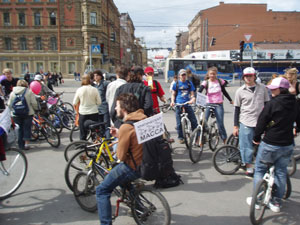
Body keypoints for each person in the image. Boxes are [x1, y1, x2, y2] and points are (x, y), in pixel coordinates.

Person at [247, 77, 300, 212]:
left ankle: (258, 200)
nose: (271, 92)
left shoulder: (273, 103)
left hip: (270, 143)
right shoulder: (295, 103)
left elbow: (262, 122)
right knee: (281, 172)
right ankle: (276, 202)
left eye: (273, 89)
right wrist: (296, 130)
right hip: (287, 144)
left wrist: (256, 138)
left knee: (260, 170)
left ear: (281, 90)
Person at [96, 93, 146, 225]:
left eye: (117, 106)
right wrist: (120, 134)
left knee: (102, 190)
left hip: (133, 167)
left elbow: (121, 156)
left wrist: (120, 137)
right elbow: (136, 137)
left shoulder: (126, 127)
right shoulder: (144, 119)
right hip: (146, 164)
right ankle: (139, 206)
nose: (115, 109)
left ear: (124, 109)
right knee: (123, 181)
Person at [233, 67, 270, 178]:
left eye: (251, 76)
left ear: (255, 76)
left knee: (263, 145)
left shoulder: (263, 88)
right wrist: (235, 125)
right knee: (246, 146)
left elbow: (267, 105)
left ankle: (262, 166)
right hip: (246, 121)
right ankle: (248, 167)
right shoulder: (240, 91)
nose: (249, 78)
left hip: (261, 122)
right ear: (244, 77)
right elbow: (237, 109)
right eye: (246, 76)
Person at [198, 66, 233, 143]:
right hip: (208, 103)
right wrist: (194, 98)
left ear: (216, 74)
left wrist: (230, 100)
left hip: (218, 104)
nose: (212, 75)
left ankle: (224, 139)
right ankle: (200, 138)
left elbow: (224, 91)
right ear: (208, 74)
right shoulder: (206, 82)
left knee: (220, 123)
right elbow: (199, 92)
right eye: (211, 74)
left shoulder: (220, 82)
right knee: (203, 122)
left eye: (214, 74)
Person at [7, 80, 38, 150]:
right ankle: (26, 144)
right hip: (28, 113)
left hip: (16, 114)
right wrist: (35, 109)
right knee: (27, 128)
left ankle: (20, 145)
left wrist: (12, 110)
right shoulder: (29, 92)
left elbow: (9, 104)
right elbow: (34, 103)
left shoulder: (12, 93)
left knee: (19, 129)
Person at [170, 69, 198, 144]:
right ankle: (181, 137)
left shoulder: (189, 83)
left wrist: (193, 99)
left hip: (187, 104)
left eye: (184, 74)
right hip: (178, 104)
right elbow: (173, 94)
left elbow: (192, 93)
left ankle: (196, 136)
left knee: (194, 121)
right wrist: (172, 101)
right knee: (179, 123)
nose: (183, 76)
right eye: (182, 75)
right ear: (179, 76)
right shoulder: (176, 84)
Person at [73, 74, 101, 140]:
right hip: (94, 112)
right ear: (90, 80)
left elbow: (74, 102)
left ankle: (83, 146)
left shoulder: (79, 90)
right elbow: (99, 102)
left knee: (83, 132)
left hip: (83, 113)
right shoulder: (95, 89)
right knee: (94, 130)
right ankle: (95, 144)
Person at [93, 70, 110, 136]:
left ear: (100, 76)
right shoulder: (95, 86)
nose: (95, 77)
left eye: (97, 75)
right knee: (100, 126)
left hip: (104, 108)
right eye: (94, 76)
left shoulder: (105, 84)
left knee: (106, 126)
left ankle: (108, 142)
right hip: (98, 109)